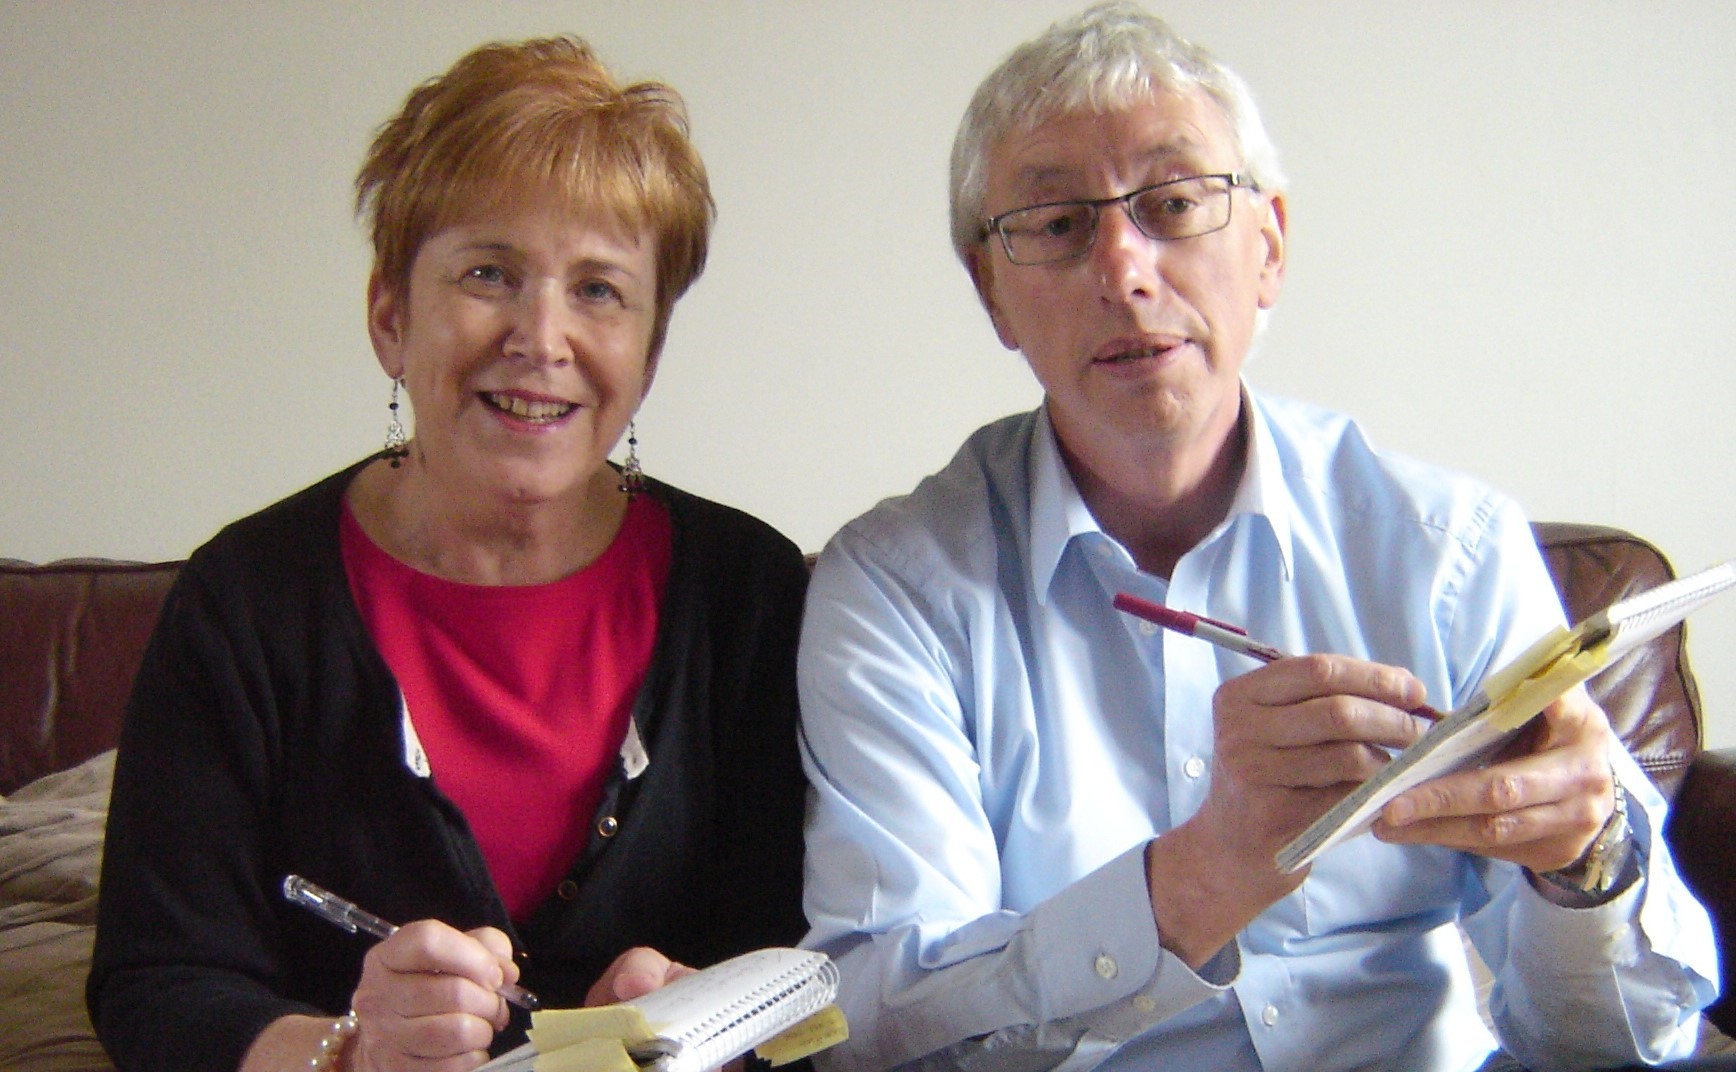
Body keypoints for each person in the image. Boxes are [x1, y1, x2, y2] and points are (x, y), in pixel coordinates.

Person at [796, 4, 1718, 1071]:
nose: (1124, 270)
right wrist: (1197, 880)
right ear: (990, 291)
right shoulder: (898, 591)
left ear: (1268, 246)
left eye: (1174, 203)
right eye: (1055, 224)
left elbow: (1621, 1041)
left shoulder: (1447, 551)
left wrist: (1586, 867)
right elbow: (871, 1031)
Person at [87, 35, 809, 1072]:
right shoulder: (244, 601)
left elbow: (812, 955)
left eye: (599, 290)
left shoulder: (749, 596)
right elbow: (156, 981)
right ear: (391, 317)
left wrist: (719, 1016)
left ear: (649, 353)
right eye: (488, 274)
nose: (541, 338)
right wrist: (349, 1053)